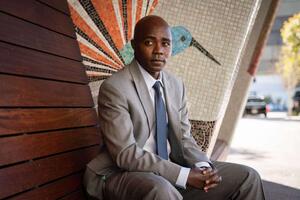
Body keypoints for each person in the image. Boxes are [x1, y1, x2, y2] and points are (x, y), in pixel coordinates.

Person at [83, 15, 265, 200]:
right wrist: (183, 175)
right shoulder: (116, 88)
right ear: (134, 45)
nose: (159, 51)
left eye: (165, 44)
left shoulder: (176, 85)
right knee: (161, 190)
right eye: (149, 42)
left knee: (247, 178)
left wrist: (203, 168)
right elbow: (126, 154)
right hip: (120, 174)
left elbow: (184, 138)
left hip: (168, 169)